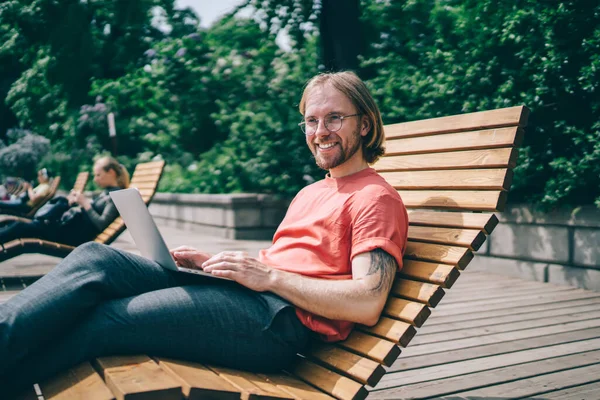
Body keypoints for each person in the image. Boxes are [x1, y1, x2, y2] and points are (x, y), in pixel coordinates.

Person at [0, 72, 408, 396]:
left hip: (276, 323)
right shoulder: (311, 191)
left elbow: (367, 301)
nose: (321, 131)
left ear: (366, 126)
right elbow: (287, 259)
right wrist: (217, 266)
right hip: (245, 296)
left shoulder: (375, 198)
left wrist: (269, 278)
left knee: (105, 321)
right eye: (312, 120)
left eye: (335, 118)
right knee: (97, 258)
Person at [0, 157, 129, 247]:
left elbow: (101, 224)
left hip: (70, 235)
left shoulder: (116, 196)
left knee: (20, 227)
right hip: (66, 228)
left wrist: (85, 203)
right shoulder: (107, 192)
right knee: (18, 226)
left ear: (111, 172)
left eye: (98, 175)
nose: (95, 179)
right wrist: (77, 201)